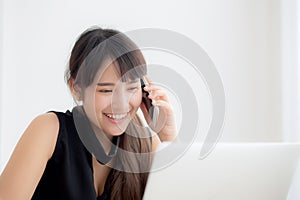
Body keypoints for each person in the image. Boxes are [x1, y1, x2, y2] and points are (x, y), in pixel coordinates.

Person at [0, 27, 177, 200]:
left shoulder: (145, 145)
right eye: (106, 91)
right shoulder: (49, 130)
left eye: (131, 88)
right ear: (76, 89)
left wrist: (167, 136)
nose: (121, 104)